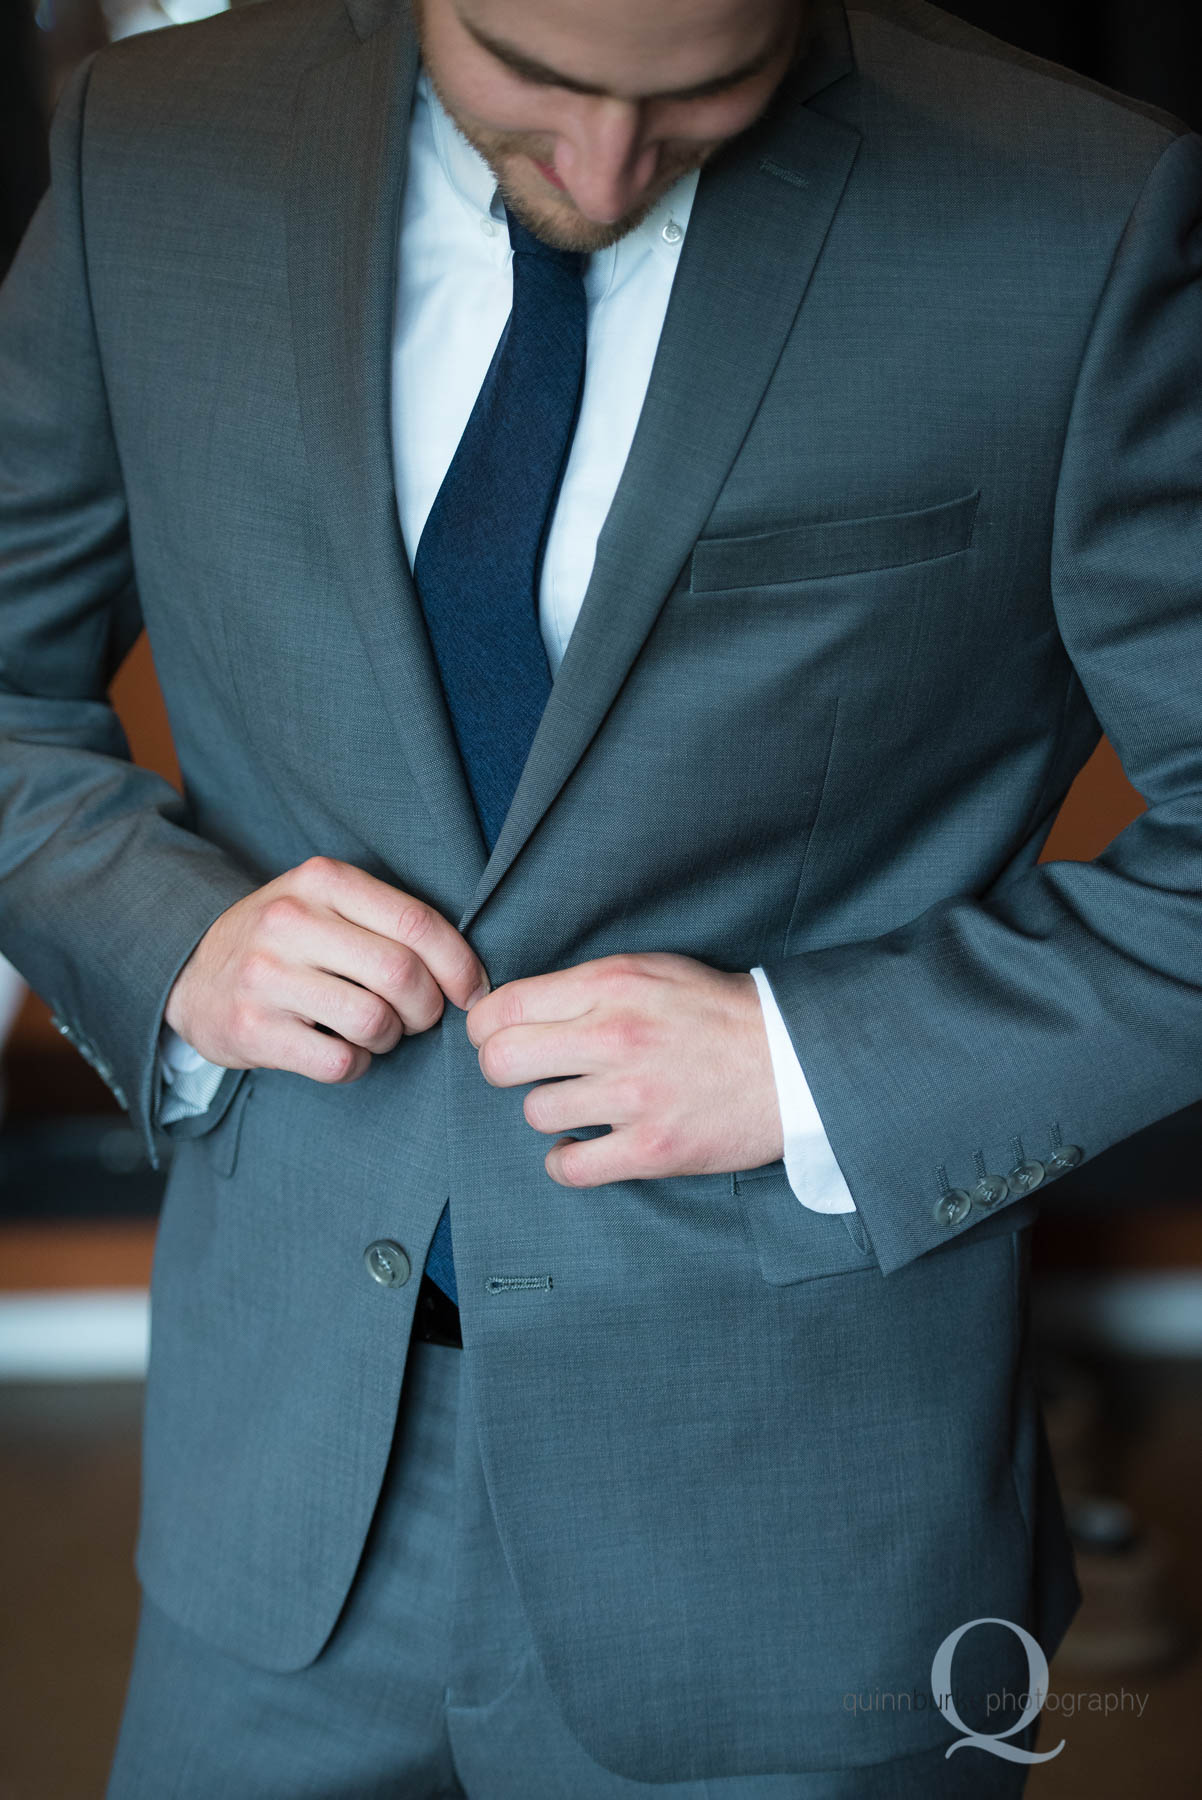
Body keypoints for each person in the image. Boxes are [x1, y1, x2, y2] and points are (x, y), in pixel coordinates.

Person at [1, 0, 1199, 1791]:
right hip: (280, 1499)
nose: (606, 170)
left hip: (795, 1538)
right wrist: (165, 932)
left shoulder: (1077, 217)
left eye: (703, 95)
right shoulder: (146, 149)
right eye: (536, 86)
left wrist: (811, 1067)